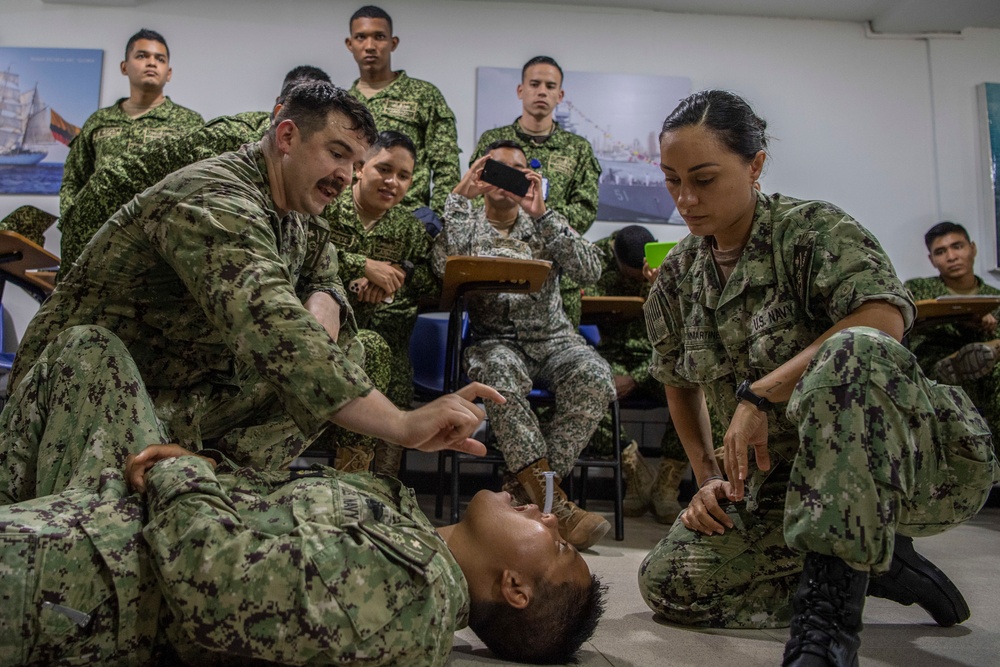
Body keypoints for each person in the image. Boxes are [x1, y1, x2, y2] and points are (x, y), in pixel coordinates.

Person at [636, 90, 995, 667]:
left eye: (703, 178)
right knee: (671, 583)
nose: (685, 199)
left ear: (755, 165)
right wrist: (706, 477)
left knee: (854, 350)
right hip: (781, 484)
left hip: (909, 466)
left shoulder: (812, 232)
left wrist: (761, 392)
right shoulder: (677, 277)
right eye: (672, 179)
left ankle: (827, 628)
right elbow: (677, 379)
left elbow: (883, 319)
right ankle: (874, 560)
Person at [0, 325, 604, 666]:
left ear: (515, 589)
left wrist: (183, 474)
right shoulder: (410, 533)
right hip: (133, 517)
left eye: (554, 545)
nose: (548, 516)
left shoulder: (413, 593)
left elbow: (214, 584)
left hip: (96, 571)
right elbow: (270, 506)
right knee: (88, 353)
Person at [4, 82, 489, 497]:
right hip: (90, 386)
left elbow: (323, 276)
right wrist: (404, 425)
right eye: (337, 153)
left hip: (180, 385)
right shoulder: (214, 198)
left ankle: (216, 476)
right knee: (297, 355)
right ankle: (126, 504)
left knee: (346, 348)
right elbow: (274, 328)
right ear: (286, 136)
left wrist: (322, 308)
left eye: (355, 162)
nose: (347, 175)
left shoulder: (300, 209)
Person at [432, 139, 616, 550]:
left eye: (516, 170)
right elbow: (440, 268)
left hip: (554, 340)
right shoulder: (466, 221)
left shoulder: (545, 222)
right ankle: (555, 505)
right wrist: (460, 200)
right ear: (479, 172)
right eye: (495, 169)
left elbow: (591, 269)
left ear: (529, 179)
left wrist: (545, 215)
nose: (506, 178)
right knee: (498, 372)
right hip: (495, 342)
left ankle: (522, 491)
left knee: (595, 375)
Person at [57, 65, 330, 274]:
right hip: (113, 227)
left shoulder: (316, 161)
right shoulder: (234, 140)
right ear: (279, 110)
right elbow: (122, 180)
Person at [326, 130, 440, 475]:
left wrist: (394, 276)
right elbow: (306, 254)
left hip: (392, 345)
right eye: (384, 169)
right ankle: (350, 485)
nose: (393, 182)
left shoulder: (408, 228)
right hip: (332, 340)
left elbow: (431, 278)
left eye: (403, 176)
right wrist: (360, 267)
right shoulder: (328, 207)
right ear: (360, 167)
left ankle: (383, 496)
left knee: (396, 387)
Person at [471, 55, 602, 324]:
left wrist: (541, 216)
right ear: (521, 90)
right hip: (499, 265)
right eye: (535, 83)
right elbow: (476, 193)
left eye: (550, 86)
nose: (542, 91)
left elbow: (585, 209)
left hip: (555, 272)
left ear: (560, 95)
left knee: (560, 355)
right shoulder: (493, 142)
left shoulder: (578, 149)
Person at [583, 224, 693, 524]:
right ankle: (634, 471)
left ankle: (667, 488)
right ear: (616, 260)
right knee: (587, 390)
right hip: (614, 357)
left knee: (694, 387)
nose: (636, 278)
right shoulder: (593, 262)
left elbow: (687, 331)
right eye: (628, 275)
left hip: (658, 358)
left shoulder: (672, 261)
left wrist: (663, 288)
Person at [58, 29, 203, 240]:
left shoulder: (191, 123)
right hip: (100, 239)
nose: (151, 63)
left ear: (168, 72)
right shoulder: (98, 121)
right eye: (142, 56)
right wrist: (73, 225)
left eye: (159, 59)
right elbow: (73, 179)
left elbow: (201, 185)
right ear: (124, 67)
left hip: (163, 242)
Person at [345, 5, 460, 224]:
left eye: (379, 37)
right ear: (350, 44)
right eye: (361, 37)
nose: (369, 46)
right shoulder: (343, 102)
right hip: (351, 217)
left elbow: (447, 164)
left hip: (409, 218)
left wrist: (439, 216)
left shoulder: (424, 96)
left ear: (393, 43)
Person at [904, 221, 1000, 450]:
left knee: (996, 372)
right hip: (933, 362)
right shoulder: (918, 288)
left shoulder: (994, 298)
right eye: (941, 251)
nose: (951, 256)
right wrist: (958, 316)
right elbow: (904, 323)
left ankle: (986, 351)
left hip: (986, 367)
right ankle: (959, 363)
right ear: (932, 260)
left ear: (972, 248)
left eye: (957, 246)